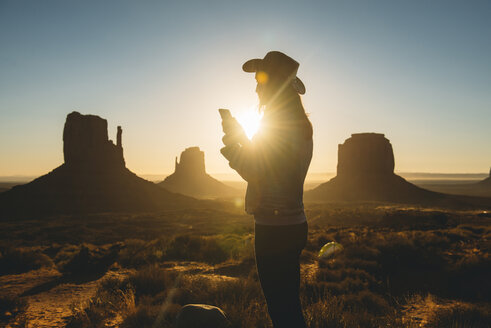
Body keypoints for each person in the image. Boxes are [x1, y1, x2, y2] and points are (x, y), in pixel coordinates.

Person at [220, 51, 313, 328]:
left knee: (282, 311)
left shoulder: (281, 127)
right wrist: (238, 135)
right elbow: (269, 166)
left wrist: (233, 147)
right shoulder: (295, 125)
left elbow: (259, 173)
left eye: (261, 79)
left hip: (275, 228)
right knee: (288, 306)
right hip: (292, 223)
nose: (257, 86)